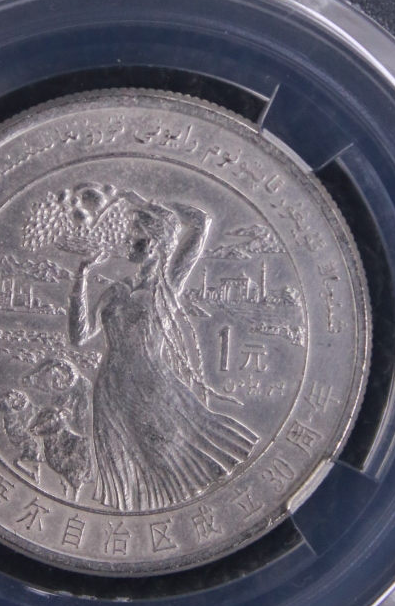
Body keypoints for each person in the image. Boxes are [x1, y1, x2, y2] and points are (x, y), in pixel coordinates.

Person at [67, 192, 256, 512]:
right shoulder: (115, 291)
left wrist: (150, 202)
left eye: (136, 237)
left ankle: (182, 512)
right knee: (128, 469)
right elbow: (80, 337)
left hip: (153, 384)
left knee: (172, 458)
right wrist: (81, 275)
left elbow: (201, 224)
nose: (128, 242)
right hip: (111, 388)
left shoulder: (167, 285)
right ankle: (135, 519)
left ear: (156, 243)